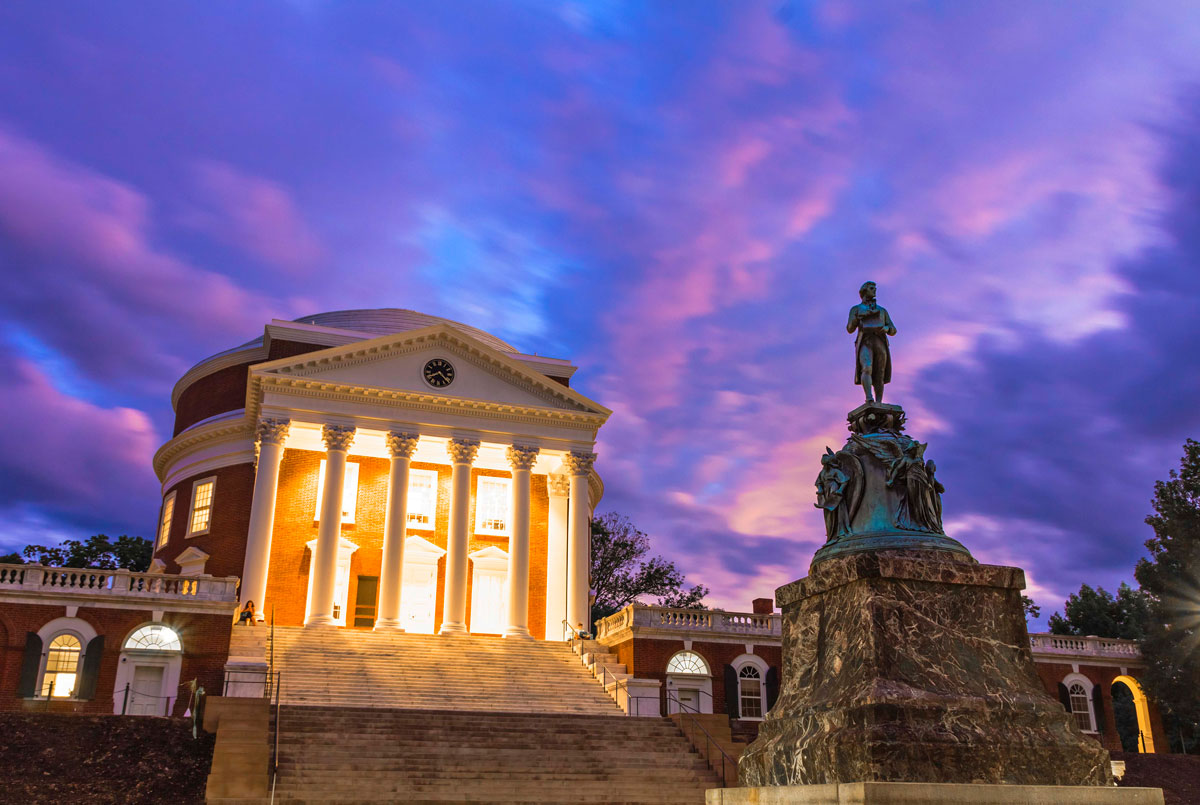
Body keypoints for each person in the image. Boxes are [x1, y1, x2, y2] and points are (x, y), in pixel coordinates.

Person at [846, 281, 897, 403]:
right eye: (871, 288)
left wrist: (886, 328)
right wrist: (857, 318)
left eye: (875, 288)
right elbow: (849, 329)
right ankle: (869, 398)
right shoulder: (856, 309)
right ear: (864, 291)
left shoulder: (882, 310)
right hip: (865, 341)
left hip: (880, 342)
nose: (874, 290)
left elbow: (893, 329)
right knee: (867, 367)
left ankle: (879, 403)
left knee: (880, 373)